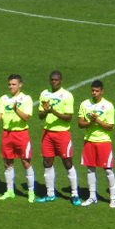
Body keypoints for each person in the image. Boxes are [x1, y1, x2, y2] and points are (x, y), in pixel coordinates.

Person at [36, 70, 82, 205]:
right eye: (52, 80)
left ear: (61, 81)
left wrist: (52, 111)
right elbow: (40, 115)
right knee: (47, 162)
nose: (53, 82)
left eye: (56, 80)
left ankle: (74, 194)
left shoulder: (67, 95)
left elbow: (68, 117)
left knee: (67, 163)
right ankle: (50, 193)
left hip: (62, 134)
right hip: (48, 133)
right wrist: (46, 111)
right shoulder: (44, 94)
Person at [0, 74, 35, 201]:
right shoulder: (4, 98)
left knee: (26, 162)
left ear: (20, 85)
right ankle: (10, 191)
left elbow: (26, 117)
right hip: (7, 134)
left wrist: (16, 109)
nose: (11, 87)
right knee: (7, 163)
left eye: (14, 84)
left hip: (21, 134)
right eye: (9, 84)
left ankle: (31, 192)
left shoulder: (26, 99)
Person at [78, 79, 115, 208]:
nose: (94, 93)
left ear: (102, 91)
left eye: (97, 91)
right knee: (90, 169)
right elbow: (80, 123)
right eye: (93, 90)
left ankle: (112, 199)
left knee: (108, 170)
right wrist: (90, 122)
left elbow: (110, 127)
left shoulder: (108, 106)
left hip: (104, 141)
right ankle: (92, 196)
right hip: (89, 140)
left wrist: (97, 121)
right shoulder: (85, 104)